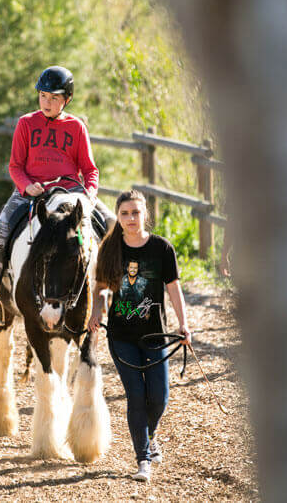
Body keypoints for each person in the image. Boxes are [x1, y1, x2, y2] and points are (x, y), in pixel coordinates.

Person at [0, 65, 116, 326]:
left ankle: (114, 293)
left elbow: (90, 170)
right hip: (31, 192)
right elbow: (15, 166)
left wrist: (90, 194)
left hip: (72, 192)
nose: (47, 102)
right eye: (43, 96)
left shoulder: (76, 127)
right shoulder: (26, 124)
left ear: (67, 99)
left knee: (113, 225)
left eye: (54, 97)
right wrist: (26, 186)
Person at [88, 189, 190, 483]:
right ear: (118, 217)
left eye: (135, 212)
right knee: (135, 395)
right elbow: (101, 287)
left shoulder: (162, 248)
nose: (131, 218)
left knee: (159, 397)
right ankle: (143, 459)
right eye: (125, 213)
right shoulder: (109, 249)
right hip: (121, 337)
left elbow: (174, 289)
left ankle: (150, 434)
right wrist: (96, 311)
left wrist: (184, 325)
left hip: (155, 335)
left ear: (145, 214)